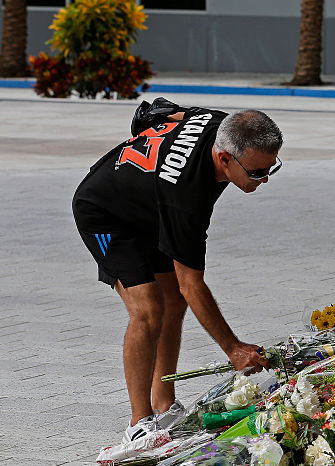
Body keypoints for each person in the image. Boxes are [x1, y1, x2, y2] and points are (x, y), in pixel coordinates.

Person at [72, 103, 282, 444]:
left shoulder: (222, 125)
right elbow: (191, 284)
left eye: (271, 167)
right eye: (257, 172)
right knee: (148, 308)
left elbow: (172, 112)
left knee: (173, 302)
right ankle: (139, 424)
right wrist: (233, 348)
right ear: (225, 158)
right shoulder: (187, 196)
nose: (265, 178)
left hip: (151, 207)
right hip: (105, 212)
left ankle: (164, 405)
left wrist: (153, 120)